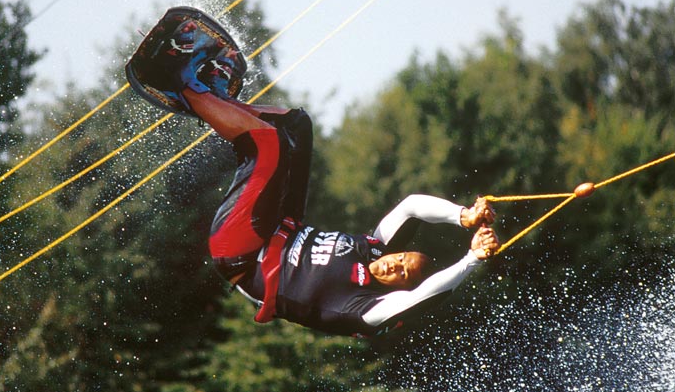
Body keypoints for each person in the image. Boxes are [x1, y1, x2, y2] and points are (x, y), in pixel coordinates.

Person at [170, 62, 499, 338]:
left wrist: (471, 259)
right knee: (296, 127)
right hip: (279, 226)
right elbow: (412, 206)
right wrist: (465, 216)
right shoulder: (372, 248)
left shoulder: (362, 308)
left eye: (400, 273)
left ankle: (179, 83)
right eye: (401, 258)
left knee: (268, 143)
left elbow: (422, 297)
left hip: (244, 255)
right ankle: (213, 98)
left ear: (399, 289)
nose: (392, 264)